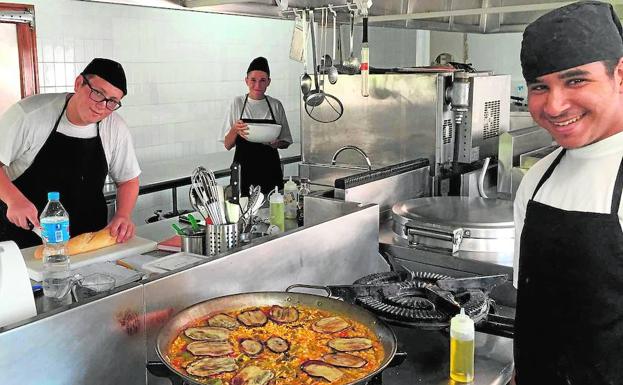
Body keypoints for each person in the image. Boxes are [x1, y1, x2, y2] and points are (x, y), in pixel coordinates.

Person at [513, 1, 623, 383]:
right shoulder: (538, 179)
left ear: (620, 76)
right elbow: (533, 313)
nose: (555, 105)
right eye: (540, 87)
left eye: (575, 80)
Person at [0, 58, 141, 249]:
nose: (102, 106)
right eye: (98, 93)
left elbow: (128, 180)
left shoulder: (115, 128)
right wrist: (13, 199)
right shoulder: (29, 115)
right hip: (22, 242)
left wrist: (123, 215)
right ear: (78, 83)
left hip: (87, 243)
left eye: (112, 102)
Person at [222, 56, 292, 195]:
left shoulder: (275, 105)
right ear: (246, 80)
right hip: (243, 172)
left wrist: (277, 144)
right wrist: (235, 129)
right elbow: (227, 145)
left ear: (269, 82)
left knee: (273, 210)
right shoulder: (237, 103)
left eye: (263, 81)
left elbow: (286, 141)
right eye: (253, 80)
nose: (257, 85)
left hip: (270, 170)